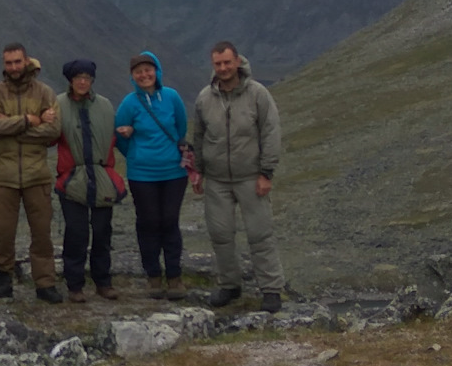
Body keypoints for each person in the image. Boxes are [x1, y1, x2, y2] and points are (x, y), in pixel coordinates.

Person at [193, 40, 285, 312]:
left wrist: (266, 172)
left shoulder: (258, 95)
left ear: (237, 62)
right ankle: (229, 285)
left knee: (260, 234)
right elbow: (198, 136)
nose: (222, 68)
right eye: (217, 64)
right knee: (220, 234)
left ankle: (271, 289)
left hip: (250, 176)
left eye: (227, 62)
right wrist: (198, 171)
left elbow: (271, 132)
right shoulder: (204, 98)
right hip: (217, 179)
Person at [0, 42, 64, 302]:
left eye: (18, 62)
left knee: (41, 232)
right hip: (5, 176)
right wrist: (30, 120)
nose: (14, 67)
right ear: (4, 65)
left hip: (36, 175)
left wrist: (15, 130)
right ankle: (4, 279)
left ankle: (45, 283)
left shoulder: (44, 93)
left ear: (26, 61)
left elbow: (54, 130)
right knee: (3, 231)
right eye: (9, 63)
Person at [114, 50, 189, 299]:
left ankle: (175, 275)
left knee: (169, 220)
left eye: (148, 70)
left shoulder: (171, 97)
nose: (144, 75)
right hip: (142, 174)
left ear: (157, 71)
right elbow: (120, 136)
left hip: (173, 172)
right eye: (138, 72)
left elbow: (181, 128)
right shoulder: (129, 103)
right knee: (148, 222)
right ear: (132, 77)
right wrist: (135, 155)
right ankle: (153, 276)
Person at [54, 58, 124, 302]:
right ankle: (75, 285)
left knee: (103, 231)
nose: (83, 82)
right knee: (76, 231)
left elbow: (114, 138)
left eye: (87, 78)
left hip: (102, 177)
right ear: (70, 81)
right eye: (78, 78)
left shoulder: (104, 105)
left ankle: (103, 281)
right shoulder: (58, 105)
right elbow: (50, 137)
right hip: (71, 179)